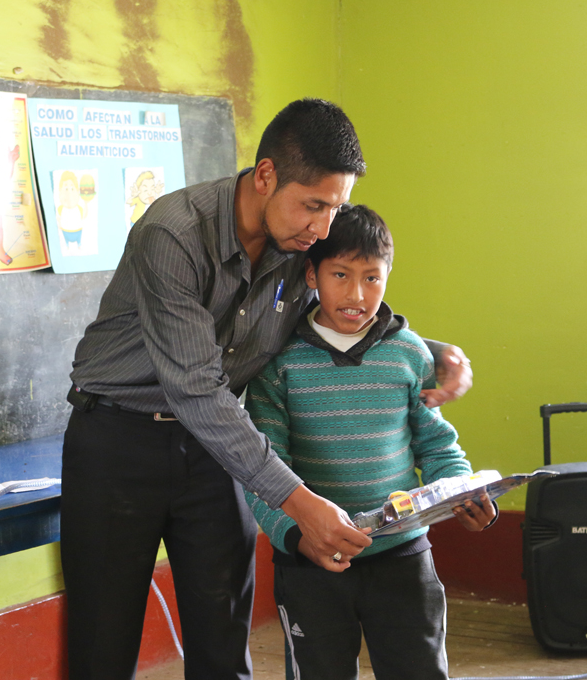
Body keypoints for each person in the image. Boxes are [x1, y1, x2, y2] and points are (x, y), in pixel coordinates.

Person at [61, 98, 473, 680]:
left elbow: (334, 314)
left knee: (224, 635)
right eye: (313, 206)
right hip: (119, 440)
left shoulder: (297, 245)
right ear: (265, 176)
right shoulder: (173, 235)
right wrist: (299, 502)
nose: (323, 229)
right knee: (103, 642)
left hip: (219, 448)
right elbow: (196, 387)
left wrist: (432, 352)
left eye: (336, 208)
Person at [242, 204, 495, 680]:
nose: (357, 294)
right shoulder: (278, 363)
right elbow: (264, 468)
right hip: (311, 561)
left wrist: (462, 493)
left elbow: (437, 447)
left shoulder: (409, 354)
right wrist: (297, 537)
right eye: (340, 274)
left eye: (372, 278)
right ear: (312, 275)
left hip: (402, 557)